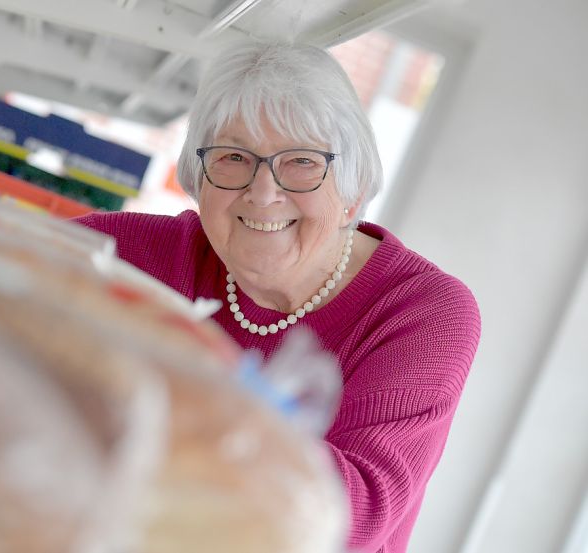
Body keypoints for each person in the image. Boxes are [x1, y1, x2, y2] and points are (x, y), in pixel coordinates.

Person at [74, 40, 481, 553]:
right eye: (233, 156)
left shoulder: (424, 313)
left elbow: (343, 519)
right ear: (200, 179)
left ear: (353, 187)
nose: (263, 192)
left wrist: (170, 386)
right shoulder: (128, 250)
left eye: (302, 162)